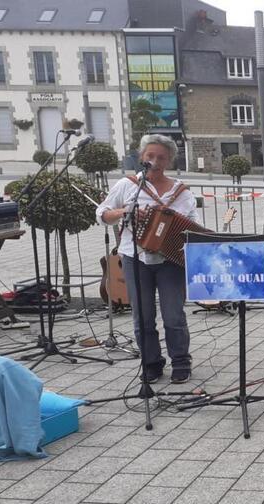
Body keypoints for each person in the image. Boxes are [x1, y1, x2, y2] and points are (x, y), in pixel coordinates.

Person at [96, 134, 199, 384]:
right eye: (150, 155)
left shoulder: (181, 192)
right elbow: (102, 214)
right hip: (135, 257)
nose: (155, 161)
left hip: (170, 261)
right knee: (142, 315)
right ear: (142, 157)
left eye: (161, 157)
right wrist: (125, 212)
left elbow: (193, 228)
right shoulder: (127, 185)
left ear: (169, 160)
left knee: (173, 314)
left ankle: (181, 361)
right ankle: (151, 363)